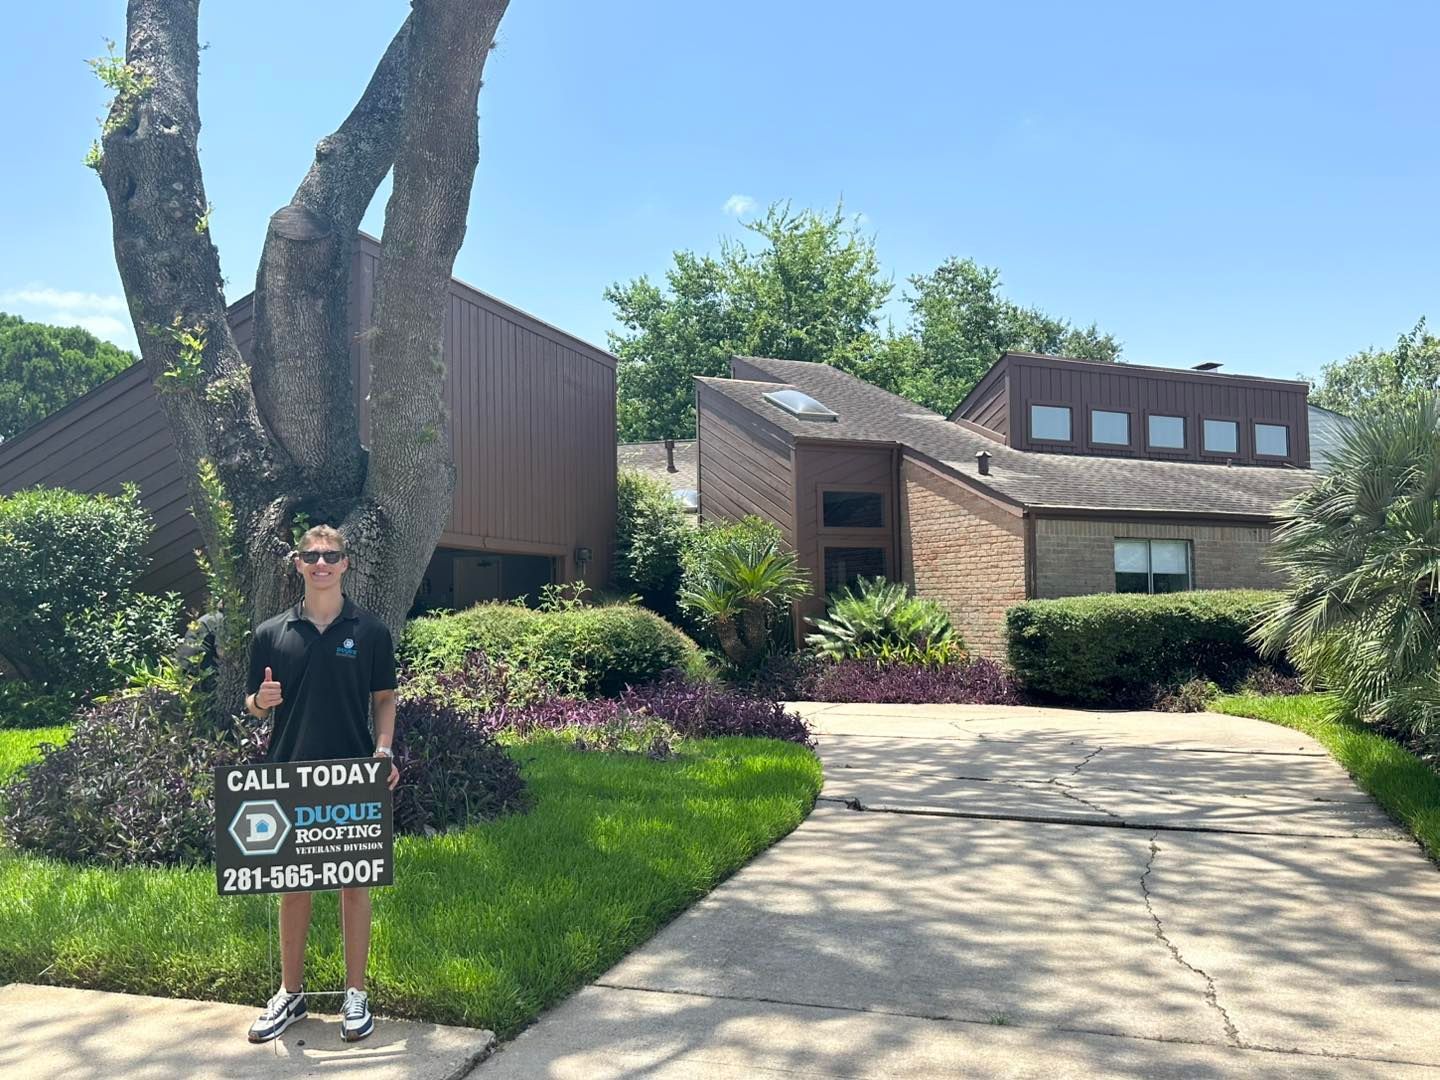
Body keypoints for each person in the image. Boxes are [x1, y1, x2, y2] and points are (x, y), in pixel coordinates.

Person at [242, 524, 399, 1044]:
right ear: (298, 564)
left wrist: (383, 751)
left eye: (331, 554)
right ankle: (292, 994)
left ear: (345, 563)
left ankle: (356, 994)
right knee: (294, 889)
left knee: (355, 886)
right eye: (312, 555)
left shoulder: (371, 631)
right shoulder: (270, 633)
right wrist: (259, 702)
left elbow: (385, 698)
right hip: (289, 772)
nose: (322, 562)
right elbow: (251, 702)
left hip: (353, 772)